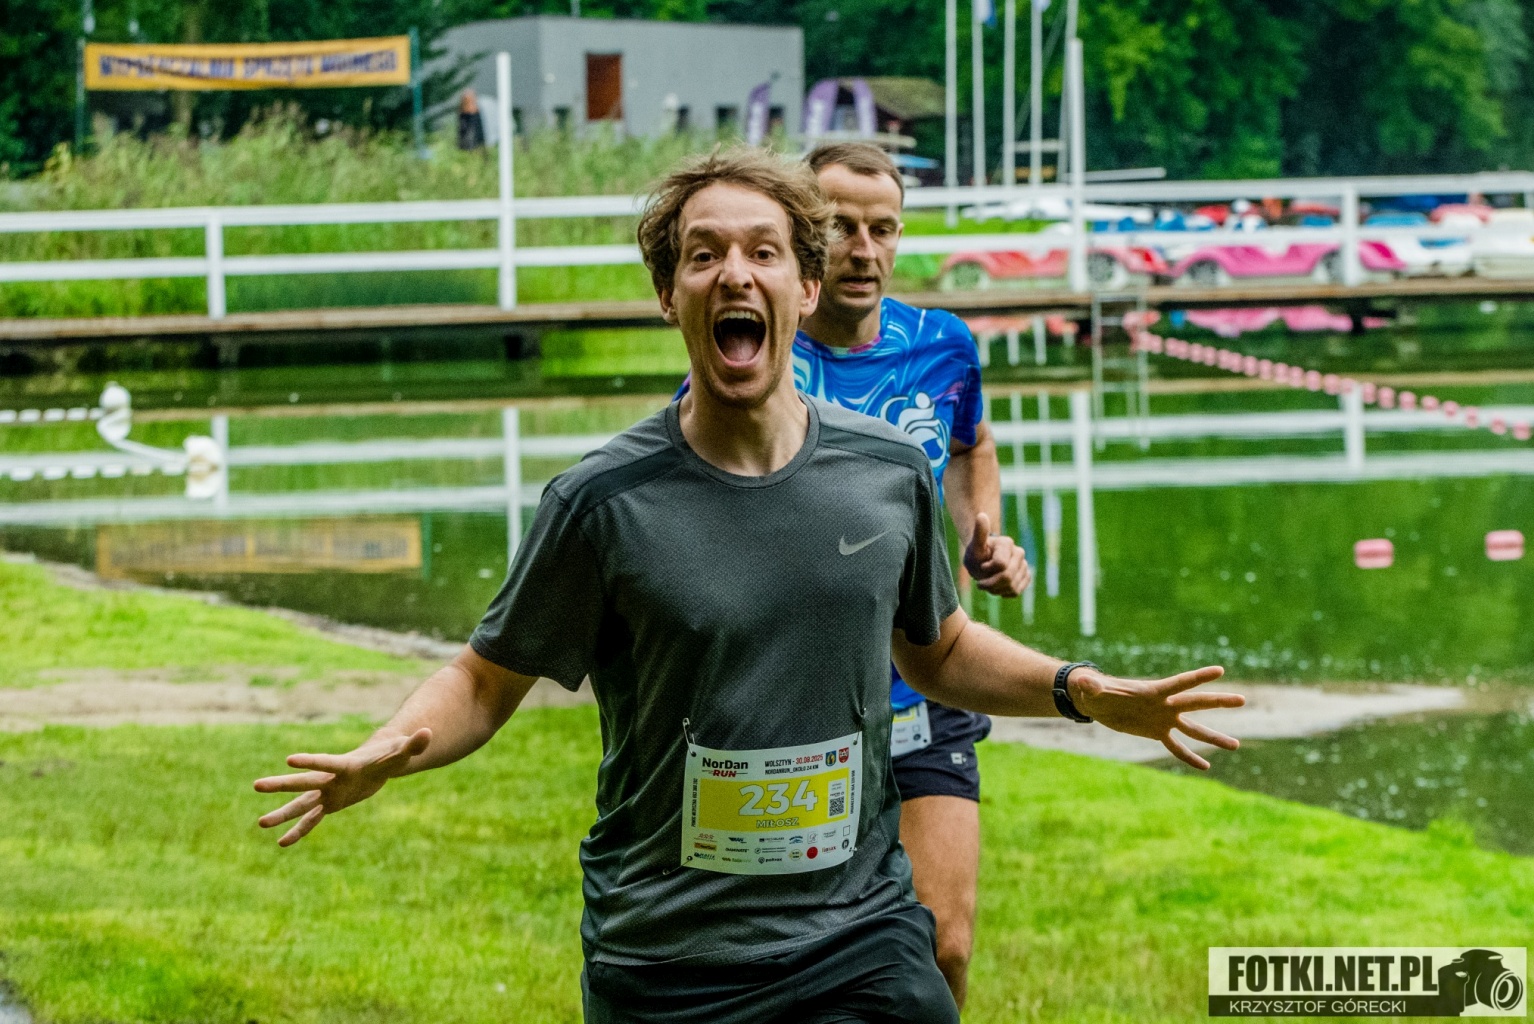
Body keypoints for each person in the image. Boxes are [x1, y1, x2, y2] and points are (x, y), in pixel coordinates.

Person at [253, 149, 1243, 1024]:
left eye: (764, 251)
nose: (735, 271)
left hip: (854, 932)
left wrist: (1080, 690)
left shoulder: (889, 471)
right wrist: (390, 749)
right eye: (703, 254)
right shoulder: (601, 502)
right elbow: (482, 679)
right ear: (669, 294)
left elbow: (937, 651)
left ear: (804, 288)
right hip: (670, 953)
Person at [676, 140, 1027, 1007]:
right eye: (841, 228)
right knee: (788, 954)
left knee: (943, 944)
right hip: (805, 697)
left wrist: (981, 535)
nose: (863, 250)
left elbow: (971, 443)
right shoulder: (759, 359)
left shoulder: (943, 346)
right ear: (804, 236)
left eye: (884, 229)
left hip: (923, 678)